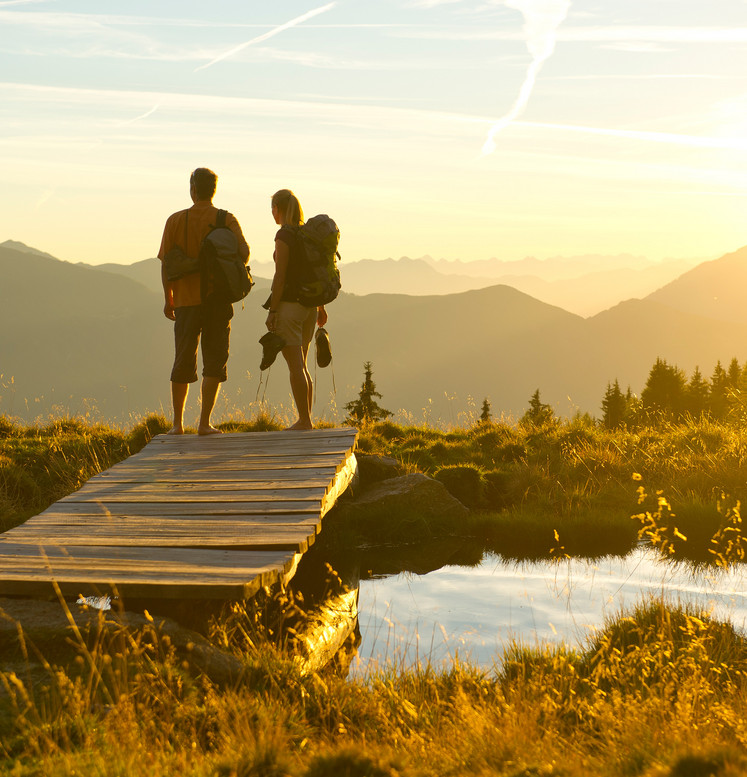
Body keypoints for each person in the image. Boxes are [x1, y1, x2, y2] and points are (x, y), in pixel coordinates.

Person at [158, 167, 250, 435]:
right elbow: (244, 253)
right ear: (214, 190)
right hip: (218, 298)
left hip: (186, 300)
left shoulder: (175, 220)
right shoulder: (226, 219)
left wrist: (168, 298)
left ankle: (177, 425)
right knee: (215, 359)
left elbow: (167, 264)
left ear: (193, 189)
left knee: (183, 358)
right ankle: (204, 423)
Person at [266, 189, 327, 430]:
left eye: (272, 208)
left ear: (278, 209)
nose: (272, 213)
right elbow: (312, 274)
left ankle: (304, 420)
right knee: (302, 365)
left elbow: (280, 276)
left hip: (289, 307)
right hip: (310, 308)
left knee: (295, 367)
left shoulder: (284, 236)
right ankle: (306, 418)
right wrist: (320, 307)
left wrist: (272, 310)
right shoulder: (305, 235)